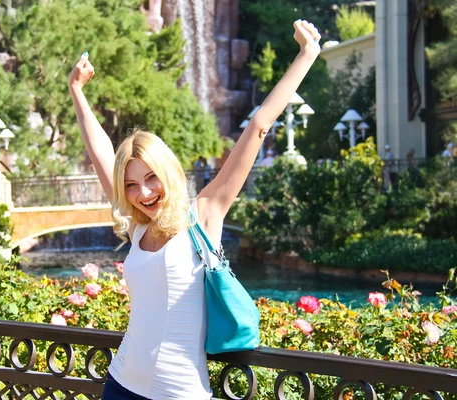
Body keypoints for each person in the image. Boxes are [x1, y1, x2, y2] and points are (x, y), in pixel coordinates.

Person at [69, 19, 321, 400]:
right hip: (120, 384)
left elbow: (258, 127)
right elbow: (101, 152)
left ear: (168, 171)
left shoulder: (203, 214)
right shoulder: (137, 227)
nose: (143, 193)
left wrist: (307, 55)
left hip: (179, 392)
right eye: (131, 185)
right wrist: (77, 92)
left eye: (151, 178)